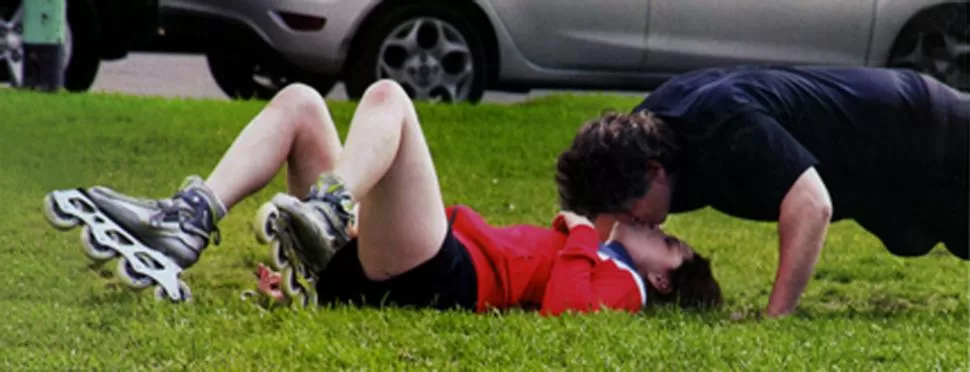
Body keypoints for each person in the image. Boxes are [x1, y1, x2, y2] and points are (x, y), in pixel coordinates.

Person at [44, 80, 722, 315]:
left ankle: (333, 211)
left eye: (667, 240)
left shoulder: (623, 284)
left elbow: (564, 309)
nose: (654, 227)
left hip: (441, 276)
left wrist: (578, 231)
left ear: (663, 278)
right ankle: (189, 219)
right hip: (410, 262)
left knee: (390, 99)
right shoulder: (610, 258)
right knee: (305, 104)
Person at [554, 66, 968, 318]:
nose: (631, 225)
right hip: (878, 175)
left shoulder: (720, 123)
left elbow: (811, 205)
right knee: (910, 237)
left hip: (930, 136)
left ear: (655, 172)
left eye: (629, 212)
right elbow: (601, 230)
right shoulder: (640, 136)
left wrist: (776, 315)